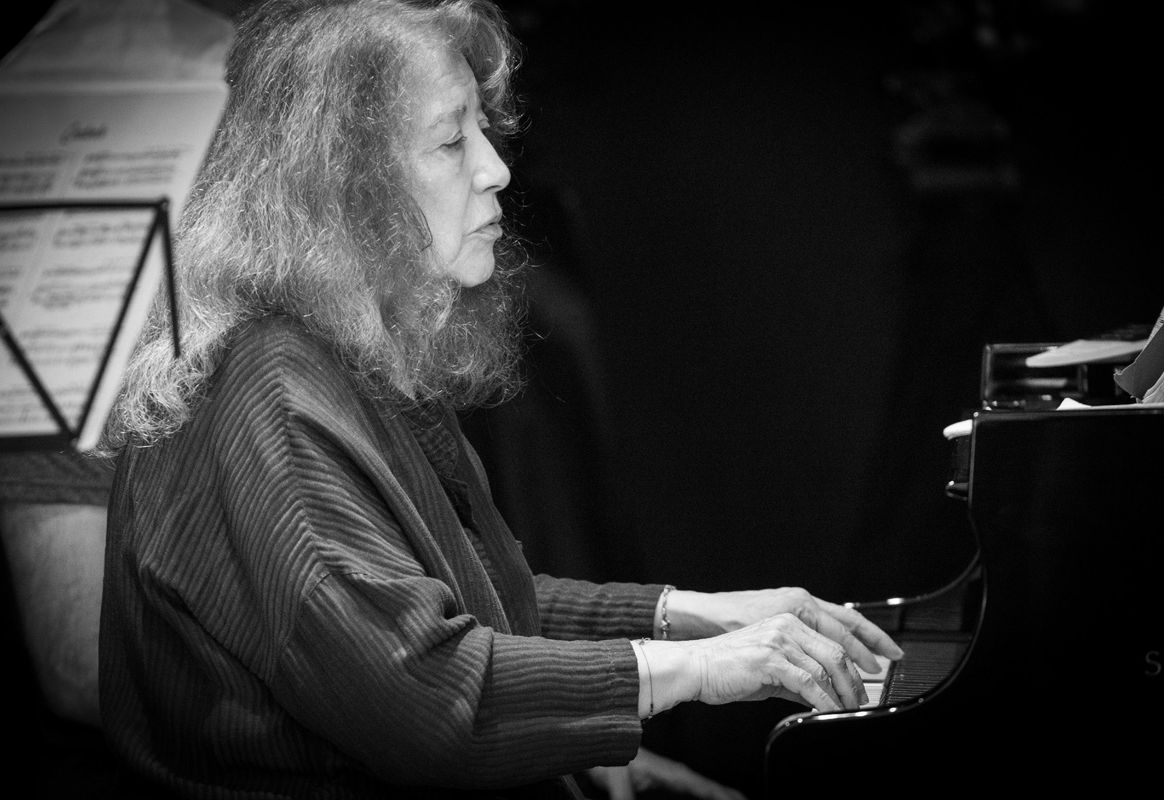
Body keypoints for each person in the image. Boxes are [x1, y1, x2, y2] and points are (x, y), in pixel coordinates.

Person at [96, 1, 904, 798]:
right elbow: (427, 696)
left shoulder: (342, 356)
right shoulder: (269, 393)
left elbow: (480, 605)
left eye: (483, 132)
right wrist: (701, 668)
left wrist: (694, 615)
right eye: (452, 141)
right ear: (341, 185)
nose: (496, 169)